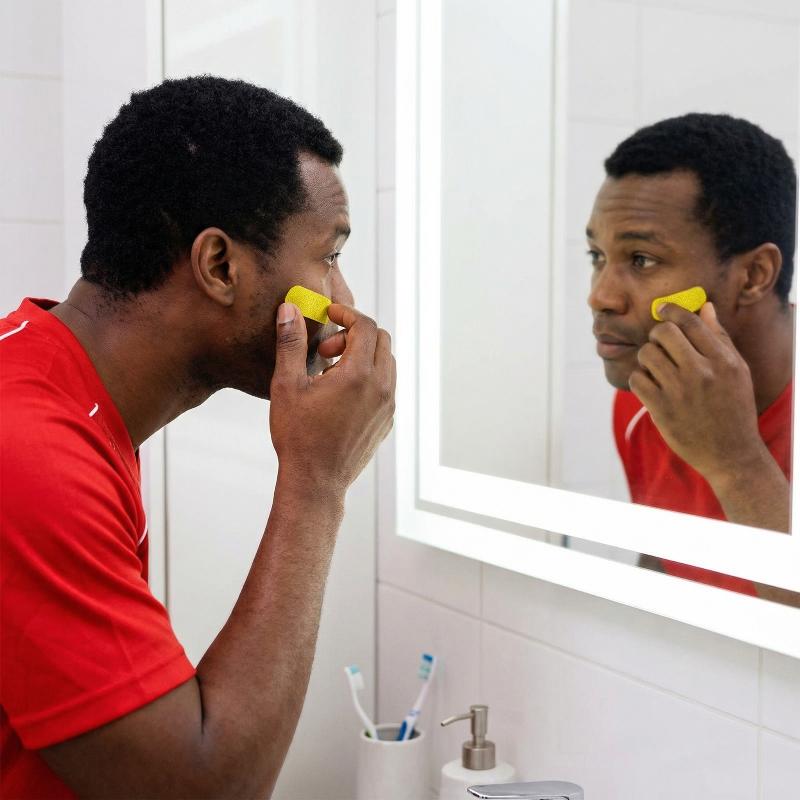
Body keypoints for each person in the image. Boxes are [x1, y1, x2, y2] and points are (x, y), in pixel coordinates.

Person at [0, 76, 395, 799]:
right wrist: (317, 482)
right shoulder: (31, 452)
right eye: (329, 256)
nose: (344, 301)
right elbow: (199, 786)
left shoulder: (47, 386)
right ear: (219, 266)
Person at [586, 113, 795, 599]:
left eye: (641, 259)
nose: (600, 296)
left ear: (754, 275)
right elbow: (666, 563)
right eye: (597, 256)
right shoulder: (646, 397)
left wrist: (737, 463)